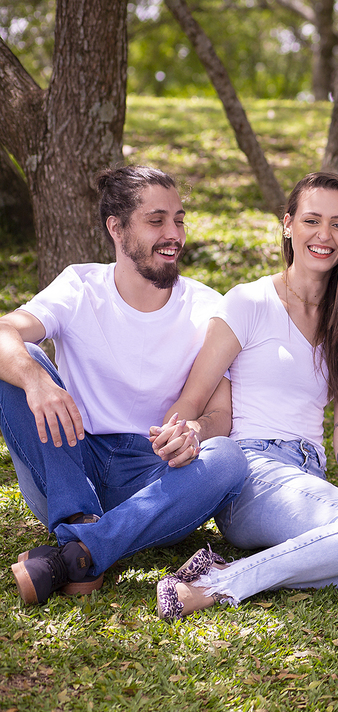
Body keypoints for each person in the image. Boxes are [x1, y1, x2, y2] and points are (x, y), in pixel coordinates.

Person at [153, 171, 338, 621]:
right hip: (250, 474)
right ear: (288, 225)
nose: (325, 235)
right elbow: (195, 395)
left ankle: (234, 571)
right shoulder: (249, 303)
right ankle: (213, 588)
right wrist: (177, 435)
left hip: (308, 477)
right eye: (312, 220)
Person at [1, 166, 247, 606]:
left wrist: (195, 431)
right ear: (116, 227)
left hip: (153, 475)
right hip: (71, 462)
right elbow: (5, 332)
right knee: (21, 360)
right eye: (156, 221)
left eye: (179, 219)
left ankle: (78, 553)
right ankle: (82, 521)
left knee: (227, 459)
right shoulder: (80, 285)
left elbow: (221, 416)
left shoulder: (209, 306)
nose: (173, 234)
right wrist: (37, 381)